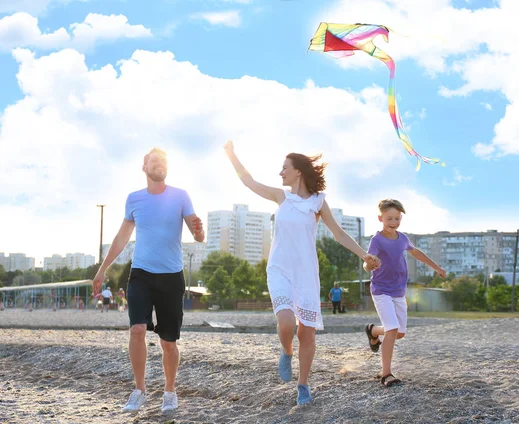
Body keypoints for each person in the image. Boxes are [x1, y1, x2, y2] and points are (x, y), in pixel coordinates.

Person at [224, 140, 380, 405]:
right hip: (279, 268)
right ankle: (286, 352)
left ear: (298, 171)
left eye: (284, 168)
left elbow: (338, 233)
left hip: (306, 273)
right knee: (285, 322)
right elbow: (248, 181)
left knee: (306, 332)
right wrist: (231, 154)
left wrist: (363, 254)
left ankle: (303, 384)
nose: (281, 172)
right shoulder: (280, 196)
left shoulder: (318, 202)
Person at [92, 147, 205, 413]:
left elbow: (197, 235)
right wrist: (102, 269)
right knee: (137, 330)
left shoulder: (180, 196)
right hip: (141, 274)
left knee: (168, 342)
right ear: (145, 167)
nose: (159, 165)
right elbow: (121, 238)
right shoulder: (134, 199)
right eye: (154, 161)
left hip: (171, 276)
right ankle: (139, 390)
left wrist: (199, 231)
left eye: (163, 161)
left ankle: (169, 392)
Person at [364, 199, 446, 387]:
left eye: (397, 218)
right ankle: (386, 374)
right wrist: (369, 264)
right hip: (381, 290)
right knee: (392, 329)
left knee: (399, 332)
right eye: (389, 218)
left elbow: (416, 253)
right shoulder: (377, 240)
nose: (393, 222)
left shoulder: (402, 238)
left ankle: (373, 331)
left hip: (399, 291)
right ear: (380, 218)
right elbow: (366, 261)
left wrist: (436, 267)